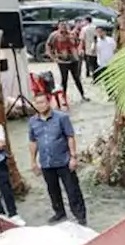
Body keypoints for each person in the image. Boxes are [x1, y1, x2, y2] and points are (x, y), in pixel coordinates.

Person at [28, 92, 86, 225]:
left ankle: (80, 216)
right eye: (37, 103)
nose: (40, 105)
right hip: (46, 162)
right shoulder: (33, 121)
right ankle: (59, 213)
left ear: (49, 102)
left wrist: (73, 157)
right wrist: (33, 161)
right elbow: (33, 141)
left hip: (63, 160)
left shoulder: (61, 117)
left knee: (72, 190)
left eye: (42, 102)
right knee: (53, 190)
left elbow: (70, 137)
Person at [46, 21, 88, 102]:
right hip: (62, 61)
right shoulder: (54, 35)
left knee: (76, 78)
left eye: (65, 25)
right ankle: (64, 97)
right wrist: (52, 57)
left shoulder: (71, 35)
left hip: (73, 60)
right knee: (64, 79)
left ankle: (82, 95)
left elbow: (78, 43)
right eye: (62, 25)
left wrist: (79, 50)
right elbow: (48, 45)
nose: (63, 27)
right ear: (58, 26)